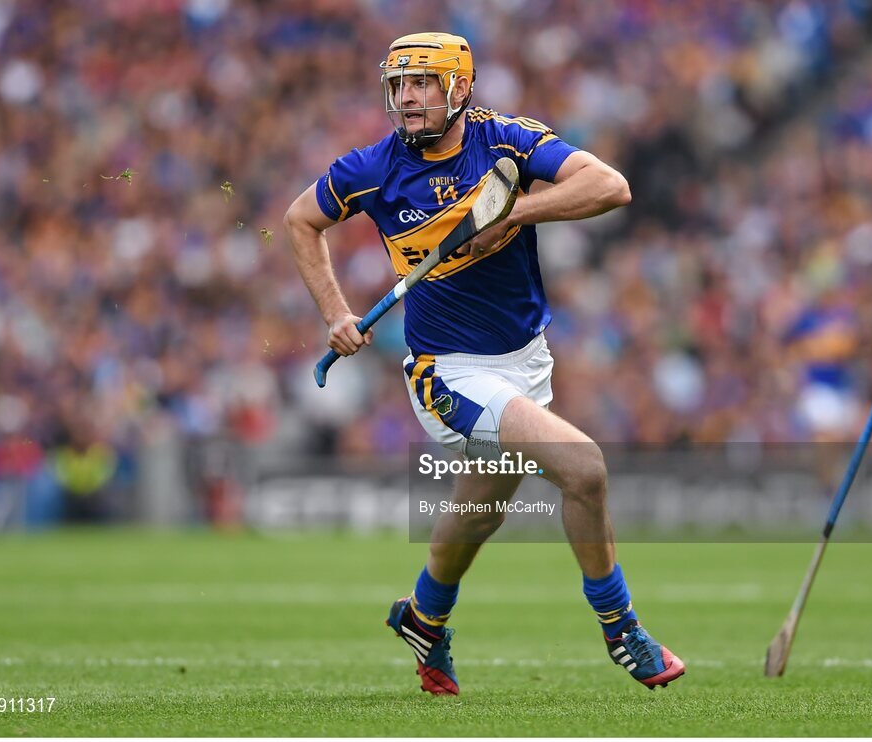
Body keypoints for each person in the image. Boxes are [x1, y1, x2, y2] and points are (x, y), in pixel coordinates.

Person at [285, 32, 685, 696]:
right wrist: (334, 312)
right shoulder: (373, 167)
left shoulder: (507, 143)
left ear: (459, 89)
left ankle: (423, 617)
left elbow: (609, 187)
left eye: (422, 85)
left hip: (526, 360)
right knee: (584, 468)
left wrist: (514, 212)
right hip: (447, 371)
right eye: (399, 86)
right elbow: (301, 220)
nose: (407, 100)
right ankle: (623, 631)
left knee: (481, 508)